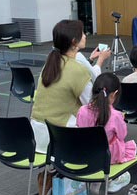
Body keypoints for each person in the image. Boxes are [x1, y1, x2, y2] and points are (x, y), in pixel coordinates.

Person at [77, 73, 137, 195]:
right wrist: (121, 119)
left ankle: (96, 181)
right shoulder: (115, 115)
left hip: (88, 154)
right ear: (114, 94)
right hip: (109, 156)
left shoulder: (82, 110)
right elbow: (122, 135)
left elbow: (81, 129)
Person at [30, 20, 92, 153]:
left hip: (37, 135)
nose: (85, 35)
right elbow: (92, 105)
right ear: (74, 42)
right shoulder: (77, 69)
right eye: (82, 33)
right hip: (61, 136)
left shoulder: (49, 64)